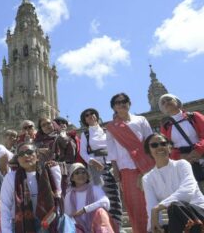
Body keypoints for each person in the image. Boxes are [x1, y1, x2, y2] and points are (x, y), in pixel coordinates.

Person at [106, 92, 154, 233]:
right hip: (126, 169)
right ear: (114, 107)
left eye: (124, 101)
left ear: (129, 103)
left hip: (146, 166)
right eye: (118, 102)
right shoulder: (111, 127)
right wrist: (116, 172)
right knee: (134, 205)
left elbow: (149, 141)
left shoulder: (141, 120)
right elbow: (112, 152)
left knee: (151, 201)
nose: (122, 104)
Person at [142, 133, 204, 233]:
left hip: (199, 213)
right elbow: (151, 206)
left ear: (170, 147)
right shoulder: (147, 178)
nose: (160, 147)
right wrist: (155, 226)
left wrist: (158, 207)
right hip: (180, 221)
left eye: (163, 143)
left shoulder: (182, 165)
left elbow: (187, 191)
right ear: (149, 151)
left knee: (175, 207)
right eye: (154, 145)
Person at [0, 142, 62, 232]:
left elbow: (57, 197)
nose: (25, 155)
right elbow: (5, 207)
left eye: (29, 152)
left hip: (47, 223)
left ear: (37, 156)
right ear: (18, 159)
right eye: (21, 154)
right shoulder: (11, 177)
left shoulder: (49, 173)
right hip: (20, 225)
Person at [79, 108, 123, 229]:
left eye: (92, 114)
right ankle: (104, 227)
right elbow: (83, 152)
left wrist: (115, 165)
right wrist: (92, 161)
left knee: (115, 196)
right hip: (95, 168)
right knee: (101, 197)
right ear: (85, 120)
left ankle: (118, 227)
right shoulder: (85, 134)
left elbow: (114, 148)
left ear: (97, 116)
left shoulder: (106, 131)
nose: (90, 116)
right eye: (87, 115)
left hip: (111, 165)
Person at [158, 93, 204, 186]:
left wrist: (198, 150)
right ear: (163, 109)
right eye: (163, 102)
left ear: (177, 102)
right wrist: (180, 157)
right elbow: (166, 148)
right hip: (184, 163)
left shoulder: (194, 116)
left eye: (169, 99)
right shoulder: (165, 126)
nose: (166, 102)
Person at [64, 163, 115, 233]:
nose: (81, 175)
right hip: (78, 228)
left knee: (101, 212)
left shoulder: (95, 189)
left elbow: (106, 202)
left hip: (96, 227)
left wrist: (85, 209)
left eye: (83, 172)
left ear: (87, 176)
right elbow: (68, 215)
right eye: (77, 173)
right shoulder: (69, 195)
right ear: (72, 178)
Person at [34, 117, 78, 194]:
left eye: (48, 123)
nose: (47, 126)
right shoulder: (37, 142)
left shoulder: (63, 136)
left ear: (53, 124)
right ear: (41, 128)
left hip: (62, 173)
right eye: (43, 125)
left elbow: (71, 155)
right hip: (43, 174)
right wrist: (37, 151)